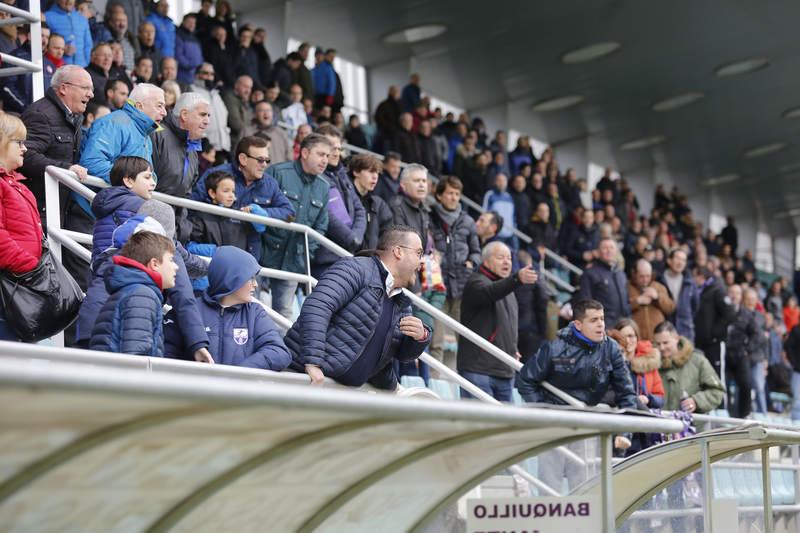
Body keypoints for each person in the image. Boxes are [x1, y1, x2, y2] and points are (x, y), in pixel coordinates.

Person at [285, 225, 431, 388]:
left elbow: (402, 355)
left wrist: (419, 337)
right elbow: (318, 307)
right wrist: (312, 362)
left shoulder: (401, 301)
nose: (422, 261)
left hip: (342, 392)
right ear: (398, 251)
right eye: (418, 253)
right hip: (306, 379)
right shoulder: (355, 268)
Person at [165, 246, 291, 370]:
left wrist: (239, 373)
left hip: (239, 389)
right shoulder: (189, 311)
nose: (256, 285)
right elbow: (167, 355)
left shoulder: (255, 313)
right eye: (250, 278)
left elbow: (279, 352)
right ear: (231, 278)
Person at [457, 242, 538, 400]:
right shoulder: (476, 282)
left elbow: (508, 325)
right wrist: (517, 279)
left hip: (504, 371)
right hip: (478, 370)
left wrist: (512, 348)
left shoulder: (508, 290)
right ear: (486, 261)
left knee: (506, 424)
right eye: (501, 258)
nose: (507, 262)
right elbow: (491, 292)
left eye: (509, 258)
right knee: (479, 424)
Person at [262, 134, 332, 317]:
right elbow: (260, 207)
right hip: (263, 251)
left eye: (327, 156)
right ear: (305, 153)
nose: (325, 160)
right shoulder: (278, 172)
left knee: (283, 313)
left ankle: (277, 347)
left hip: (294, 260)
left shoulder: (324, 187)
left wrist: (307, 253)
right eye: (321, 154)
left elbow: (321, 227)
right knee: (252, 304)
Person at [193, 136, 295, 260]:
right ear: (243, 159)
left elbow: (290, 213)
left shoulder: (270, 184)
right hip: (213, 253)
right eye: (260, 160)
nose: (264, 165)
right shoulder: (216, 175)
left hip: (249, 258)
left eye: (267, 160)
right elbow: (193, 205)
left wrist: (265, 213)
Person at [89, 230, 177, 356]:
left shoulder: (132, 290)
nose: (176, 266)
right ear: (154, 264)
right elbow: (137, 355)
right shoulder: (142, 295)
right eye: (171, 260)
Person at [20, 65, 90, 215]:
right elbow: (25, 154)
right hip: (39, 207)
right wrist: (66, 169)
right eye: (85, 88)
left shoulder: (73, 117)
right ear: (64, 88)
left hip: (59, 207)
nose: (90, 94)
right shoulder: (40, 114)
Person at [429, 175, 481, 371]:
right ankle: (434, 383)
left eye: (457, 194)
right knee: (437, 341)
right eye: (449, 193)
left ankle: (470, 382)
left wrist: (471, 263)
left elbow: (476, 251)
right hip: (437, 283)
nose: (453, 197)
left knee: (466, 340)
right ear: (440, 195)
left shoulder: (467, 221)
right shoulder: (429, 216)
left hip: (461, 285)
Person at [0, 112, 43, 340]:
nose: (25, 149)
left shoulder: (17, 184)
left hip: (19, 285)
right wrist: (31, 267)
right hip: (9, 286)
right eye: (19, 142)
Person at [81, 83, 166, 182]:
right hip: (96, 196)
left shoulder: (145, 136)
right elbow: (92, 162)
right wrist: (132, 181)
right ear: (139, 106)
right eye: (159, 106)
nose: (164, 112)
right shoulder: (113, 123)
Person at [311, 125, 366, 277]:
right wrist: (349, 238)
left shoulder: (342, 174)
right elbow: (324, 213)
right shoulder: (316, 176)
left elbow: (360, 209)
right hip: (325, 258)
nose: (336, 153)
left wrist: (356, 237)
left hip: (346, 254)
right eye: (332, 148)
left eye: (339, 149)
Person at [653, 321, 725, 413]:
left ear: (677, 339)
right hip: (660, 424)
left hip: (692, 425)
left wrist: (696, 401)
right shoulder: (652, 365)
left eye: (665, 343)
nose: (661, 348)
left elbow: (717, 391)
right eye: (658, 344)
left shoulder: (698, 361)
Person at [610, 319, 665, 409]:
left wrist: (648, 399)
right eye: (623, 337)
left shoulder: (649, 362)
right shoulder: (610, 362)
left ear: (637, 338)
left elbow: (660, 399)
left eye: (631, 336)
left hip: (644, 417)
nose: (627, 341)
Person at [693, 264, 735, 376]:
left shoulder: (717, 290)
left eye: (695, 276)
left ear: (701, 276)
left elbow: (730, 314)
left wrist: (715, 332)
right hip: (701, 342)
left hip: (714, 343)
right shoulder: (700, 291)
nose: (693, 280)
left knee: (716, 375)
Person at [190, 171, 248, 251]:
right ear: (212, 193)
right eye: (226, 191)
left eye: (233, 191)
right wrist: (214, 251)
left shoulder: (239, 215)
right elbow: (190, 245)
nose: (231, 195)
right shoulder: (201, 215)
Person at [578, 238, 630, 327]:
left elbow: (627, 301)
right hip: (604, 328)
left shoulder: (621, 273)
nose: (608, 250)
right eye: (605, 248)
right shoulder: (589, 273)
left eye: (611, 247)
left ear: (617, 251)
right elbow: (585, 304)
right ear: (598, 252)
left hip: (624, 325)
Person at [350, 154, 392, 252]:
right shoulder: (345, 197)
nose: (375, 177)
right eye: (371, 171)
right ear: (356, 172)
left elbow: (387, 233)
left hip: (369, 260)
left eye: (377, 173)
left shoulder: (377, 203)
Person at [628, 258, 675, 341]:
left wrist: (657, 297)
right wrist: (637, 301)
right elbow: (619, 309)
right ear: (634, 274)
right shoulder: (626, 287)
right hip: (637, 338)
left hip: (657, 338)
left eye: (648, 276)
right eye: (641, 276)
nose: (645, 280)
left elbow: (670, 308)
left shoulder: (658, 286)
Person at [658, 248, 699, 341]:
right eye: (677, 258)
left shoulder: (690, 282)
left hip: (686, 331)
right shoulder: (659, 280)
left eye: (683, 260)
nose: (680, 262)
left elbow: (695, 306)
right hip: (665, 330)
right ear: (669, 260)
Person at [190, 63, 230, 153]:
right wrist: (203, 142)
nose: (209, 76)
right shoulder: (192, 91)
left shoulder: (216, 94)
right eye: (205, 73)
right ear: (197, 74)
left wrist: (227, 144)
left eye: (212, 74)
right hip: (205, 148)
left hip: (223, 147)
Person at [45, 0, 92, 67]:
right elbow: (44, 43)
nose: (69, 1)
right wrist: (62, 48)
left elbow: (88, 45)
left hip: (82, 68)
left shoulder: (82, 19)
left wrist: (87, 64)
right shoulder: (47, 17)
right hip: (57, 68)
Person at [222, 75, 254, 149]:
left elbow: (249, 120)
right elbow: (236, 123)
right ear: (236, 85)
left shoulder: (244, 99)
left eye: (250, 88)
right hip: (233, 143)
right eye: (245, 87)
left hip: (243, 140)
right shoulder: (229, 98)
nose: (248, 91)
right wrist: (252, 135)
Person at [175, 14, 204, 85]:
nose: (192, 25)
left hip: (196, 75)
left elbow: (200, 55)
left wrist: (200, 67)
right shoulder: (179, 36)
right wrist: (190, 66)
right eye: (189, 22)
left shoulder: (195, 38)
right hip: (183, 75)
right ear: (183, 22)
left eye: (194, 23)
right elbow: (178, 55)